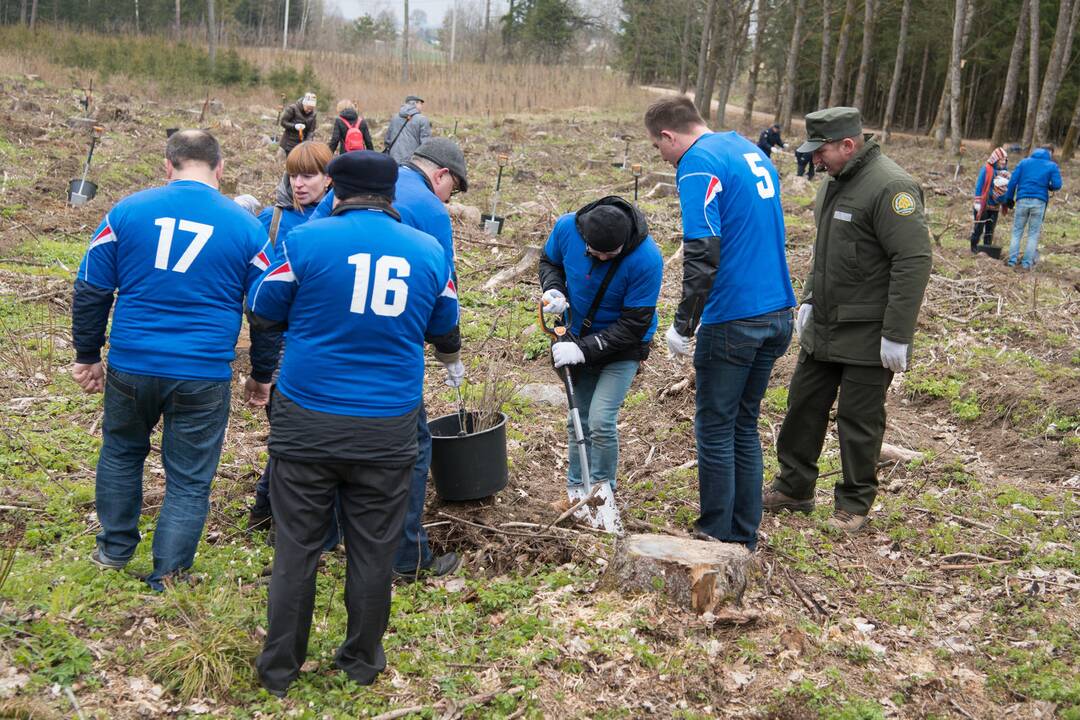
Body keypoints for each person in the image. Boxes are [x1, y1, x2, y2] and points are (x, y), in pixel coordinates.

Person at [248, 151, 461, 696]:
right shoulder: (431, 253)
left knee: (297, 545)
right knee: (373, 549)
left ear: (334, 191)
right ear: (392, 193)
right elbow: (446, 331)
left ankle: (279, 670)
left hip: (307, 419)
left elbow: (264, 308)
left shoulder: (305, 242)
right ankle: (361, 662)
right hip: (388, 424)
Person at [71, 130, 278, 591]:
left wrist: (87, 354)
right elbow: (264, 311)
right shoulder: (247, 228)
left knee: (122, 453)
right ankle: (169, 572)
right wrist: (261, 375)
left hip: (132, 362)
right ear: (219, 169)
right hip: (202, 372)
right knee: (189, 478)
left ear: (168, 165)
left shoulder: (126, 212)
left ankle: (114, 549)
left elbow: (91, 288)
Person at [764, 107, 931, 532]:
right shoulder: (833, 184)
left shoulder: (891, 187)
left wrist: (896, 335)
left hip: (868, 332)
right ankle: (794, 488)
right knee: (802, 406)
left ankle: (854, 506)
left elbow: (912, 261)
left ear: (848, 145)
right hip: (825, 325)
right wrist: (806, 300)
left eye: (820, 152)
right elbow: (826, 253)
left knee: (858, 420)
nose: (814, 160)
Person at [311, 138, 469, 580]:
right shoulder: (432, 211)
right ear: (441, 176)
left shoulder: (344, 190)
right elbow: (445, 293)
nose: (448, 199)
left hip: (324, 349)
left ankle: (319, 539)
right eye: (452, 189)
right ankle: (405, 554)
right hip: (390, 355)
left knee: (319, 441)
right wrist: (449, 351)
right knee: (412, 449)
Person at [645, 97, 795, 550]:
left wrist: (683, 324)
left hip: (734, 317)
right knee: (743, 425)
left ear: (670, 136)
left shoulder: (696, 164)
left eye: (658, 148)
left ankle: (715, 533)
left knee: (715, 426)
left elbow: (703, 252)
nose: (663, 157)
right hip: (776, 312)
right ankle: (743, 536)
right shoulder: (747, 150)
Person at [538, 196, 662, 512]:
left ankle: (603, 495)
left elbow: (635, 324)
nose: (604, 258)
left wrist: (584, 350)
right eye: (597, 253)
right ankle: (577, 493)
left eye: (612, 254)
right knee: (576, 420)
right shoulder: (567, 227)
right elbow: (549, 261)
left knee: (601, 420)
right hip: (577, 336)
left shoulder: (647, 259)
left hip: (623, 346)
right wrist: (555, 290)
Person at [248, 141, 335, 534]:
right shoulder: (274, 219)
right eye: (293, 175)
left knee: (300, 440)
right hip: (280, 342)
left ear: (328, 179)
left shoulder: (337, 220)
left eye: (308, 176)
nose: (299, 184)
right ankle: (272, 516)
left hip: (321, 343)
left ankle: (268, 512)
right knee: (288, 437)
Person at [1001, 144, 1062, 269]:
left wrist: (1009, 199)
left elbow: (1013, 181)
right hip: (1039, 201)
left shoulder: (1024, 163)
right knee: (1033, 234)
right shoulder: (1052, 166)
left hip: (1022, 199)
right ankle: (1026, 264)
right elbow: (1057, 185)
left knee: (1017, 231)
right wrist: (1048, 186)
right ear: (1049, 154)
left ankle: (1012, 261)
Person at [969, 146, 1009, 253]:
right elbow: (979, 185)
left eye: (1005, 160)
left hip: (995, 206)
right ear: (995, 159)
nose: (1003, 162)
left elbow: (1006, 189)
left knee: (990, 230)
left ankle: (987, 250)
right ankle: (973, 248)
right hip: (983, 205)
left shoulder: (1005, 173)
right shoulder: (986, 169)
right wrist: (977, 201)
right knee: (979, 228)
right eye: (1001, 160)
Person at [383, 95, 432, 165]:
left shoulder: (395, 117)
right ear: (415, 104)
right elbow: (425, 144)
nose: (422, 106)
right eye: (420, 103)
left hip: (393, 159)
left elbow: (387, 140)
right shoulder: (422, 119)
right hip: (412, 161)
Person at [279, 93, 317, 157]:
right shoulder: (292, 108)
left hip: (301, 144)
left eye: (311, 108)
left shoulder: (313, 114)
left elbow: (311, 131)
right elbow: (283, 122)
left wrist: (307, 143)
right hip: (288, 142)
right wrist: (294, 126)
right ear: (304, 104)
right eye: (308, 108)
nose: (309, 110)